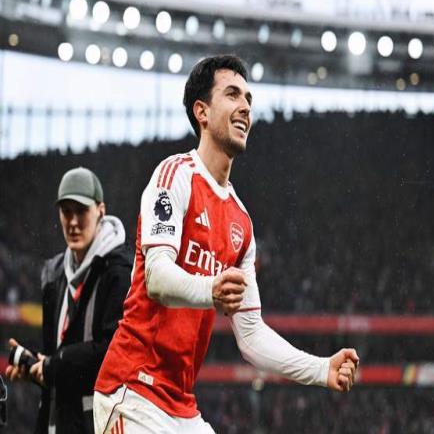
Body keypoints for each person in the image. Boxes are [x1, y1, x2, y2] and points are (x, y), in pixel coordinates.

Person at [94, 55, 359, 433]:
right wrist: (211, 290)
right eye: (232, 95)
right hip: (133, 389)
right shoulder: (174, 176)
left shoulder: (241, 222)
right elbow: (156, 277)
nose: (245, 107)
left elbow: (251, 336)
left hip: (180, 404)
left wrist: (320, 369)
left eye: (249, 99)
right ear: (201, 112)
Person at [5, 167, 132, 434]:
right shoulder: (53, 274)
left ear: (100, 211)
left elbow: (114, 353)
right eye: (66, 212)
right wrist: (37, 368)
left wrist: (52, 366)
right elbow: (58, 361)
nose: (73, 222)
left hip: (101, 425)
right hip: (58, 422)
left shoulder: (120, 272)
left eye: (81, 211)